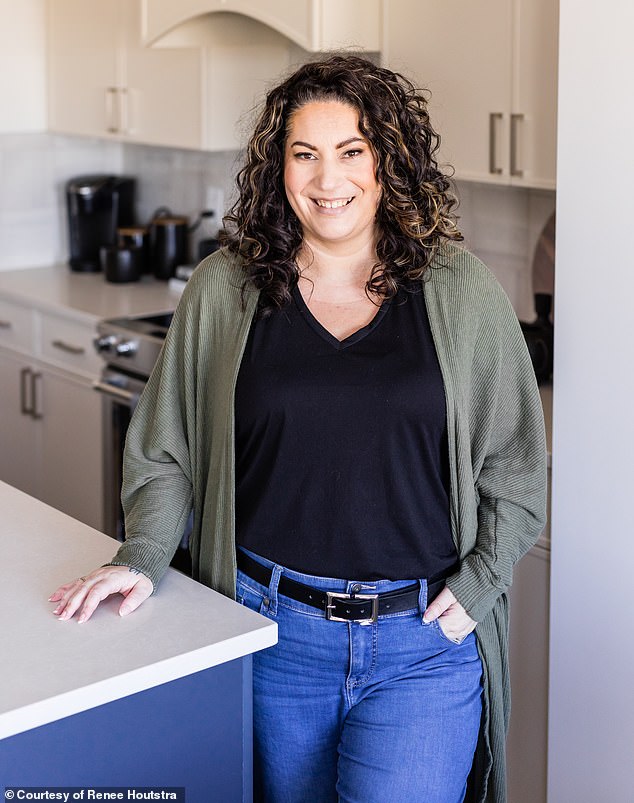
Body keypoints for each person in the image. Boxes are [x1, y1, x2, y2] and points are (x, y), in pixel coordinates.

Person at [50, 55, 547, 803]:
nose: (327, 178)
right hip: (269, 632)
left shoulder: (462, 291)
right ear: (278, 167)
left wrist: (480, 580)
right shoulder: (225, 288)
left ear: (387, 162)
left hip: (421, 643)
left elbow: (516, 467)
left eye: (352, 151)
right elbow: (164, 449)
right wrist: (143, 554)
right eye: (305, 154)